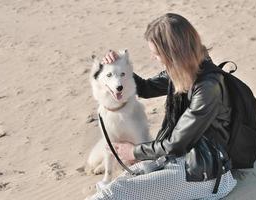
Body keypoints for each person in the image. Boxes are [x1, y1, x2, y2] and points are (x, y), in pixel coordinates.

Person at [88, 13, 237, 200]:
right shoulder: (184, 70)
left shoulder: (208, 87)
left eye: (157, 53)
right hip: (180, 158)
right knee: (122, 183)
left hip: (205, 172)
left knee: (114, 194)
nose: (153, 58)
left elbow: (176, 143)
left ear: (174, 51)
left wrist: (133, 151)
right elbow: (146, 88)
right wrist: (120, 68)